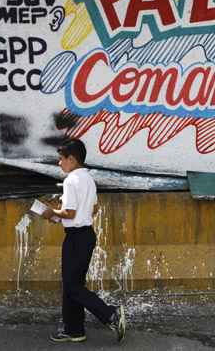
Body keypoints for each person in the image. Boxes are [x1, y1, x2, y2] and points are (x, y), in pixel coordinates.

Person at [43, 138, 126, 343]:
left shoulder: (71, 180)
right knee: (73, 284)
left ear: (71, 159)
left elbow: (69, 213)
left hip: (76, 238)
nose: (59, 163)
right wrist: (70, 216)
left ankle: (110, 314)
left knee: (72, 286)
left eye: (61, 159)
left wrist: (49, 212)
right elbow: (94, 208)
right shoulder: (88, 178)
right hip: (85, 235)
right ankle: (74, 330)